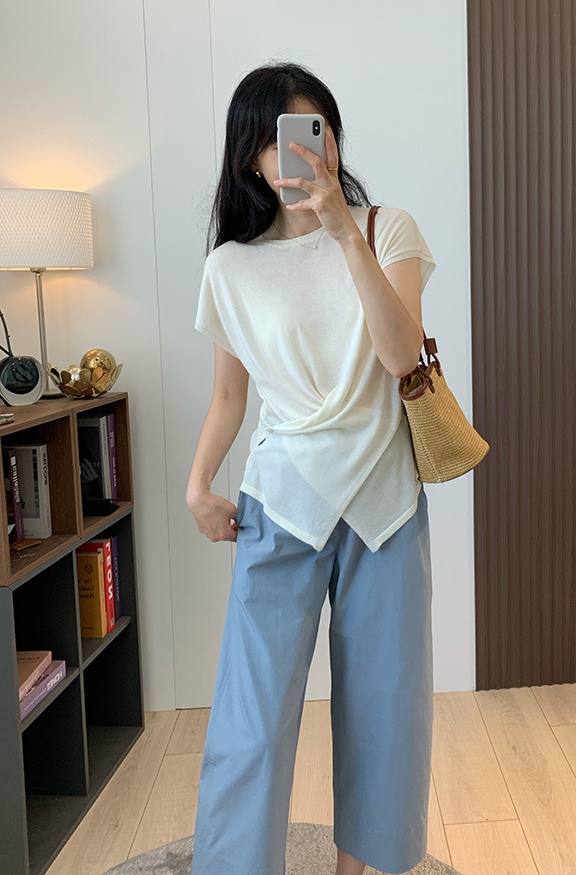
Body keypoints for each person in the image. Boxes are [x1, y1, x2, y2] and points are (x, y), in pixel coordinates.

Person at [187, 62, 436, 875]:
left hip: (384, 504)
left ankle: (357, 869)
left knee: (385, 710)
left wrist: (342, 233)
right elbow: (229, 397)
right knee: (251, 716)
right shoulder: (229, 266)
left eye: (317, 131)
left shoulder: (386, 230)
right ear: (252, 157)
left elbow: (401, 358)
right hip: (280, 502)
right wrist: (197, 483)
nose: (307, 152)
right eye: (284, 139)